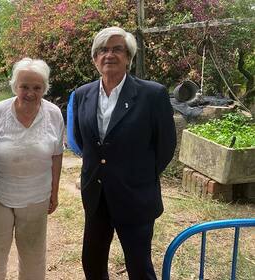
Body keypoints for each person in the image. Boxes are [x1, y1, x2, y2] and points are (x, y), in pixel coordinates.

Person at [72, 26, 176, 280]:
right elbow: (80, 139)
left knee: (139, 266)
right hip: (96, 195)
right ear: (95, 58)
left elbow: (166, 146)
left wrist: (137, 176)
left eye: (117, 49)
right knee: (92, 263)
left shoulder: (152, 94)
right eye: (103, 50)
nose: (109, 55)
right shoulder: (82, 94)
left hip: (135, 196)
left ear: (129, 57)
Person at [0, 57, 64, 280]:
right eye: (24, 86)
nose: (30, 93)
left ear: (44, 88)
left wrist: (54, 191)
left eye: (37, 87)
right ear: (15, 86)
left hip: (36, 195)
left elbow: (56, 155)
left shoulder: (53, 113)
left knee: (34, 255)